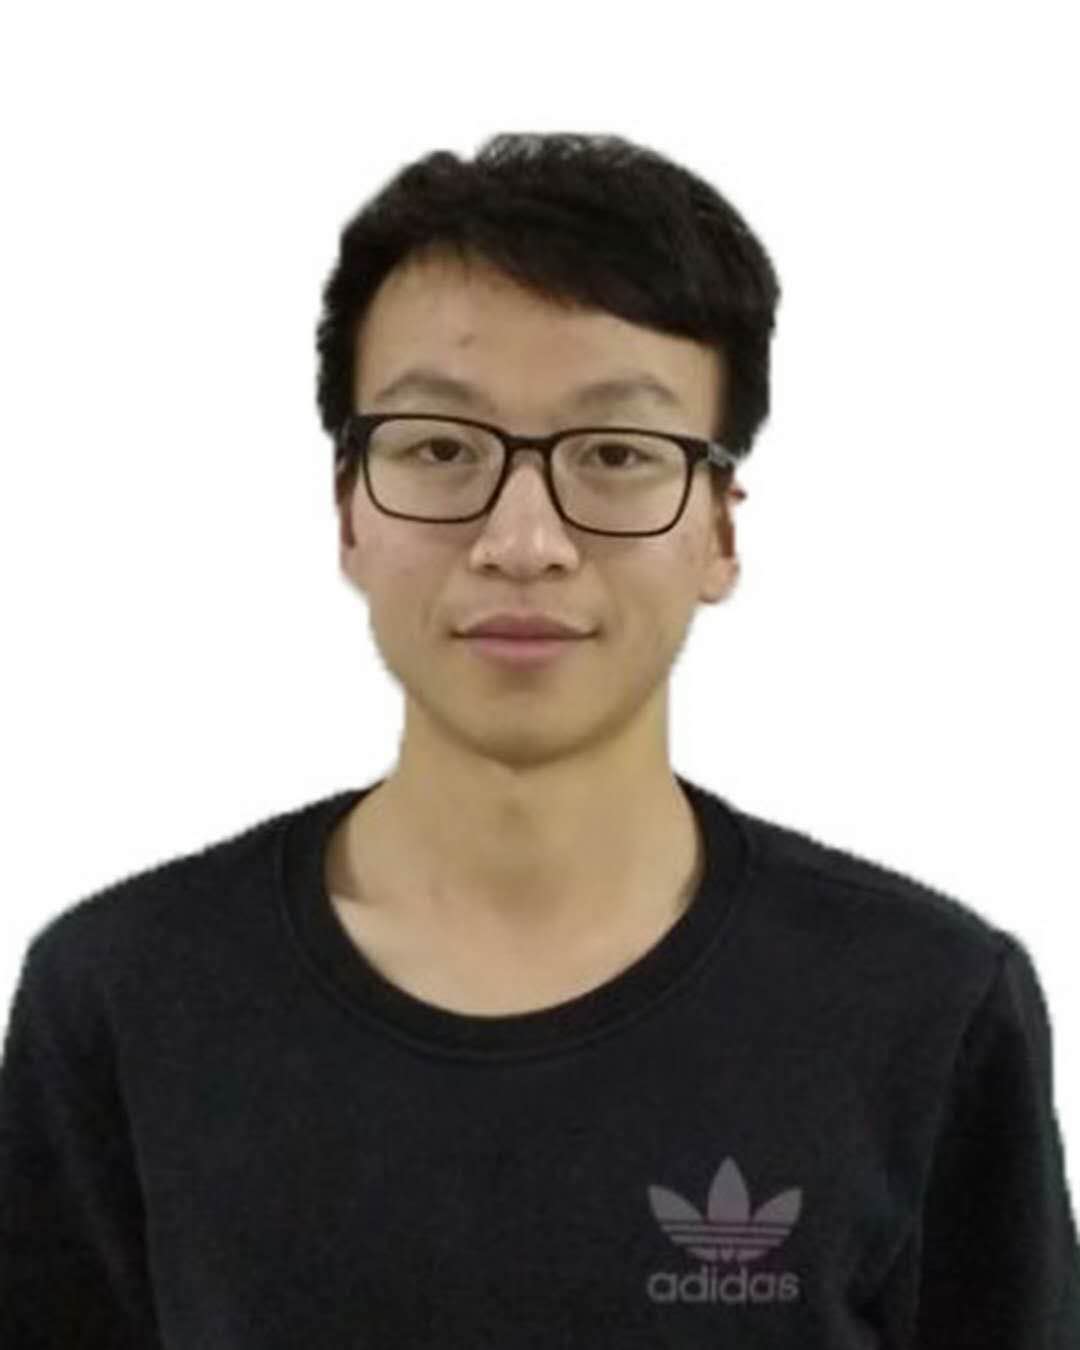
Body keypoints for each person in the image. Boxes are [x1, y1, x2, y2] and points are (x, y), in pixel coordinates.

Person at [2, 131, 1078, 1348]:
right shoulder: (126, 998)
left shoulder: (924, 1006)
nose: (523, 542)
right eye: (440, 450)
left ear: (720, 531)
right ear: (349, 512)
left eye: (616, 455)